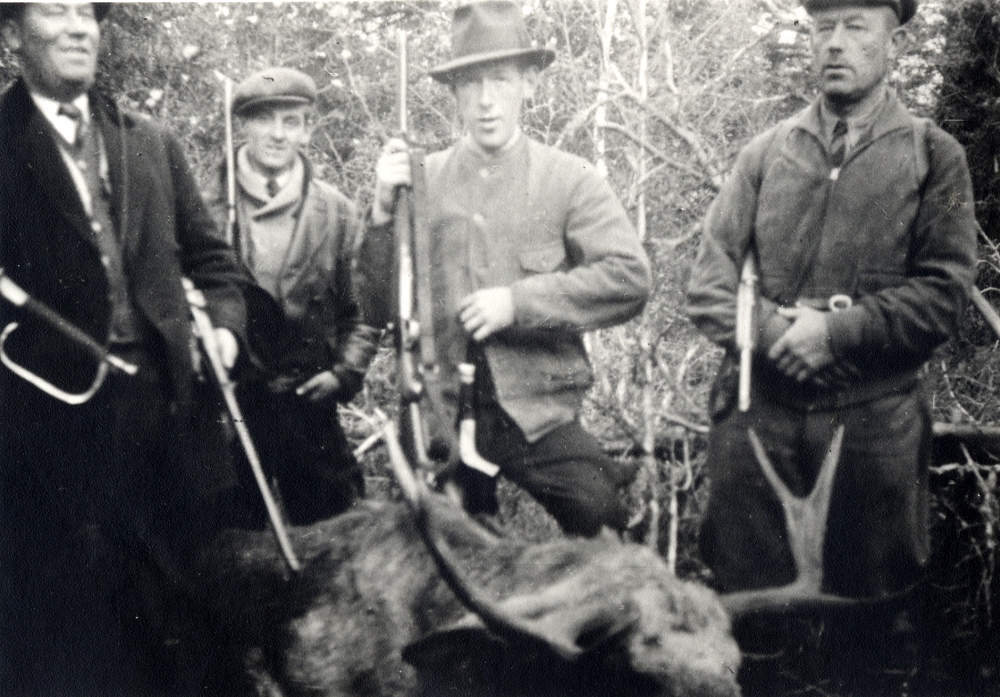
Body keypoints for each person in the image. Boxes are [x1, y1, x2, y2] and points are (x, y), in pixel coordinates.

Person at [686, 0, 978, 688]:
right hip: (760, 415)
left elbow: (944, 295)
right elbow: (708, 288)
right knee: (745, 616)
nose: (835, 44)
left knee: (876, 620)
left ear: (892, 41)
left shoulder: (934, 156)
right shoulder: (765, 154)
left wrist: (837, 333)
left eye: (856, 26)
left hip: (873, 419)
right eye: (823, 28)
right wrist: (776, 335)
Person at [0, 3, 252, 694]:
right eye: (56, 9)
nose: (79, 26)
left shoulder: (150, 141)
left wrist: (223, 326)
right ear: (13, 33)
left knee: (186, 626)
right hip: (47, 438)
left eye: (88, 11)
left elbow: (215, 263)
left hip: (169, 423)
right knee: (72, 639)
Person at [358, 0, 651, 538]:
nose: (486, 100)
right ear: (455, 93)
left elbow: (629, 278)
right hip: (439, 412)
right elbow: (374, 307)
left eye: (500, 79)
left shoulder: (570, 179)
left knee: (601, 515)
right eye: (471, 83)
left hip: (537, 412)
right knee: (432, 550)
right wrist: (380, 211)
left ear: (529, 85)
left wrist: (517, 303)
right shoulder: (421, 181)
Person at [204, 67, 377, 526]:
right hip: (233, 409)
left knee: (335, 536)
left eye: (291, 121)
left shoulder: (337, 212)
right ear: (243, 125)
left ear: (307, 130)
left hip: (311, 405)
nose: (278, 134)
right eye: (264, 119)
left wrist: (342, 374)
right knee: (229, 543)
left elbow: (362, 313)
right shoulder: (205, 210)